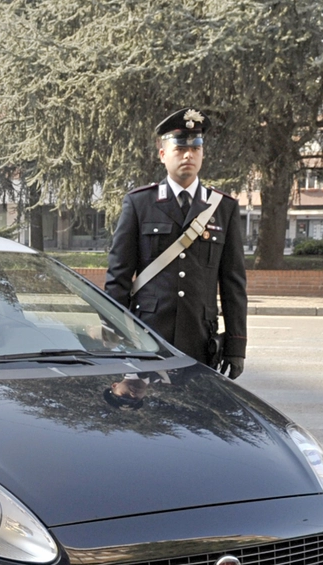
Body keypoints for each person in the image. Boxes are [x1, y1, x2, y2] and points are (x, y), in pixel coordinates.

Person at [104, 108, 247, 379]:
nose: (188, 155)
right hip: (147, 335)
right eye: (180, 148)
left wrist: (236, 345)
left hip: (200, 338)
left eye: (195, 148)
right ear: (163, 155)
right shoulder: (140, 203)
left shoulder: (223, 207)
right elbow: (118, 276)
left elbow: (233, 284)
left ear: (202, 154)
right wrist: (112, 333)